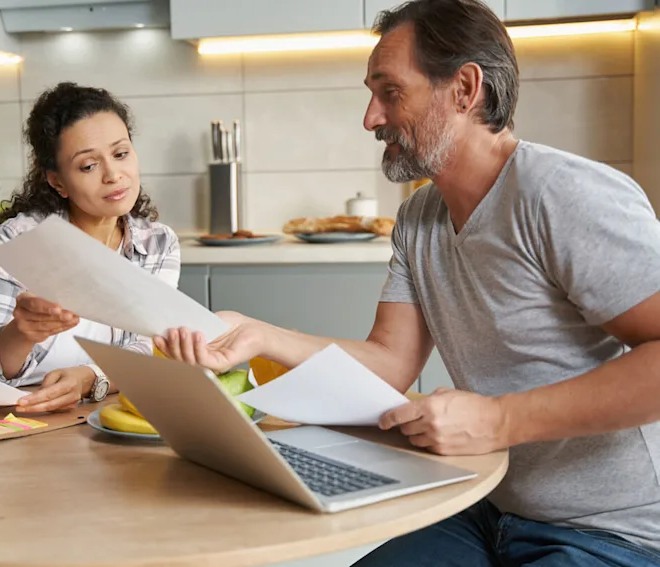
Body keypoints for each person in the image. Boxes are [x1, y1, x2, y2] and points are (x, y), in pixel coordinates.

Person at [153, 1, 660, 565]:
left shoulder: (563, 195)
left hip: (614, 532)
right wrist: (257, 333)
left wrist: (500, 419)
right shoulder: (421, 217)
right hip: (489, 507)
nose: (370, 117)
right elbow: (390, 362)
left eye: (390, 91)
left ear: (465, 89)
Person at [0, 82, 180, 415]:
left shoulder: (158, 243)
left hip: (107, 415)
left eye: (120, 154)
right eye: (88, 166)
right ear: (57, 181)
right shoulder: (19, 240)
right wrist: (20, 332)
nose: (113, 175)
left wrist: (91, 378)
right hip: (22, 418)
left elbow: (148, 347)